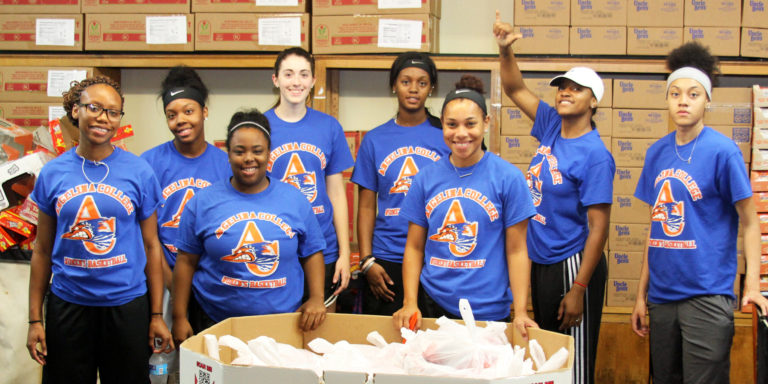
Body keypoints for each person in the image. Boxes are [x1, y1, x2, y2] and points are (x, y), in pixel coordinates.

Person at [630, 42, 768, 383]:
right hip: (662, 298)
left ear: (707, 100)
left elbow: (750, 222)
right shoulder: (656, 153)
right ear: (667, 100)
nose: (683, 101)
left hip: (707, 296)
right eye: (675, 93)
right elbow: (656, 228)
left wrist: (752, 283)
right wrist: (639, 296)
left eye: (693, 94)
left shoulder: (723, 152)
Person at [26, 76, 172, 383]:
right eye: (94, 107)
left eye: (113, 112)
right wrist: (35, 318)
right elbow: (42, 249)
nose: (103, 118)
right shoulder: (53, 173)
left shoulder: (138, 172)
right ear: (76, 111)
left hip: (126, 305)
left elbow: (151, 246)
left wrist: (157, 315)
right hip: (68, 305)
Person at [494, 12, 614, 384]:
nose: (565, 92)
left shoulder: (595, 155)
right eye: (562, 86)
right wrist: (504, 51)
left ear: (594, 102)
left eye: (576, 89)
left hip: (572, 262)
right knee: (546, 359)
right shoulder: (550, 126)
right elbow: (515, 89)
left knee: (573, 365)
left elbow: (599, 228)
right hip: (542, 259)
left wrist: (578, 288)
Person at [392, 75, 538, 337]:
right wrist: (409, 302)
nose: (461, 133)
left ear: (486, 123)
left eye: (470, 124)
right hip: (433, 304)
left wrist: (522, 311)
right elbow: (414, 246)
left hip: (489, 311)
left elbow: (517, 250)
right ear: (443, 128)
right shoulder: (425, 178)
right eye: (451, 125)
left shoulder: (508, 178)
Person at [171, 110, 327, 345]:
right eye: (239, 151)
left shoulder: (294, 199)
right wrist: (179, 316)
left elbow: (312, 252)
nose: (248, 159)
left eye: (257, 151)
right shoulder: (203, 202)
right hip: (216, 322)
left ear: (268, 153)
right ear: (228, 154)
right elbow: (185, 261)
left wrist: (317, 297)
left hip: (283, 325)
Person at [351, 52, 449, 316]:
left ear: (432, 88)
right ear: (394, 85)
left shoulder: (446, 136)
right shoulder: (374, 140)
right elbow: (367, 206)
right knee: (386, 347)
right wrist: (367, 260)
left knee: (432, 348)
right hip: (387, 260)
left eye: (422, 82)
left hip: (435, 257)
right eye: (406, 81)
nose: (414, 89)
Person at [265, 47, 354, 311]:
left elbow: (337, 193)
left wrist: (345, 254)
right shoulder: (261, 126)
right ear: (276, 79)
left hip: (323, 247)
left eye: (304, 75)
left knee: (322, 331)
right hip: (279, 246)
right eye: (288, 74)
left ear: (313, 81)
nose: (296, 82)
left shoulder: (329, 126)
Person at [141, 65, 231, 287]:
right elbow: (146, 237)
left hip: (213, 279)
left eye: (188, 111)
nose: (180, 120)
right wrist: (171, 283)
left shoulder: (226, 164)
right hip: (162, 277)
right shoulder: (148, 163)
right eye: (171, 115)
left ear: (204, 112)